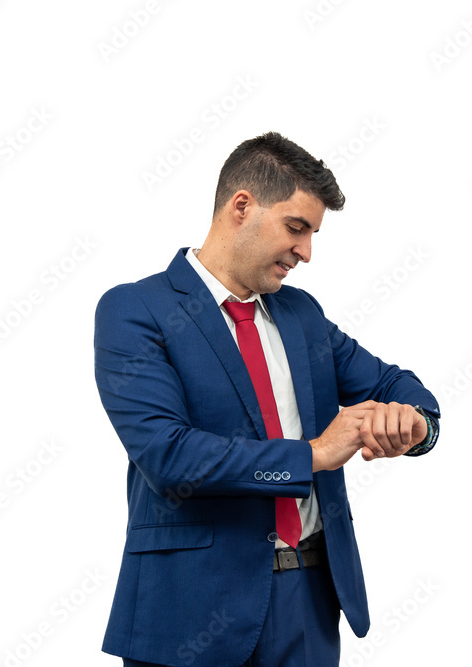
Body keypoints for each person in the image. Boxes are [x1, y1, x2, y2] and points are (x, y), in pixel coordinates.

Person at [94, 131, 440, 666]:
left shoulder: (300, 315)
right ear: (242, 207)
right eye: (296, 228)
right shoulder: (136, 311)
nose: (306, 252)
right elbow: (168, 455)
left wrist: (414, 422)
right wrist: (314, 455)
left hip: (309, 603)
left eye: (312, 234)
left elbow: (395, 384)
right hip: (188, 611)